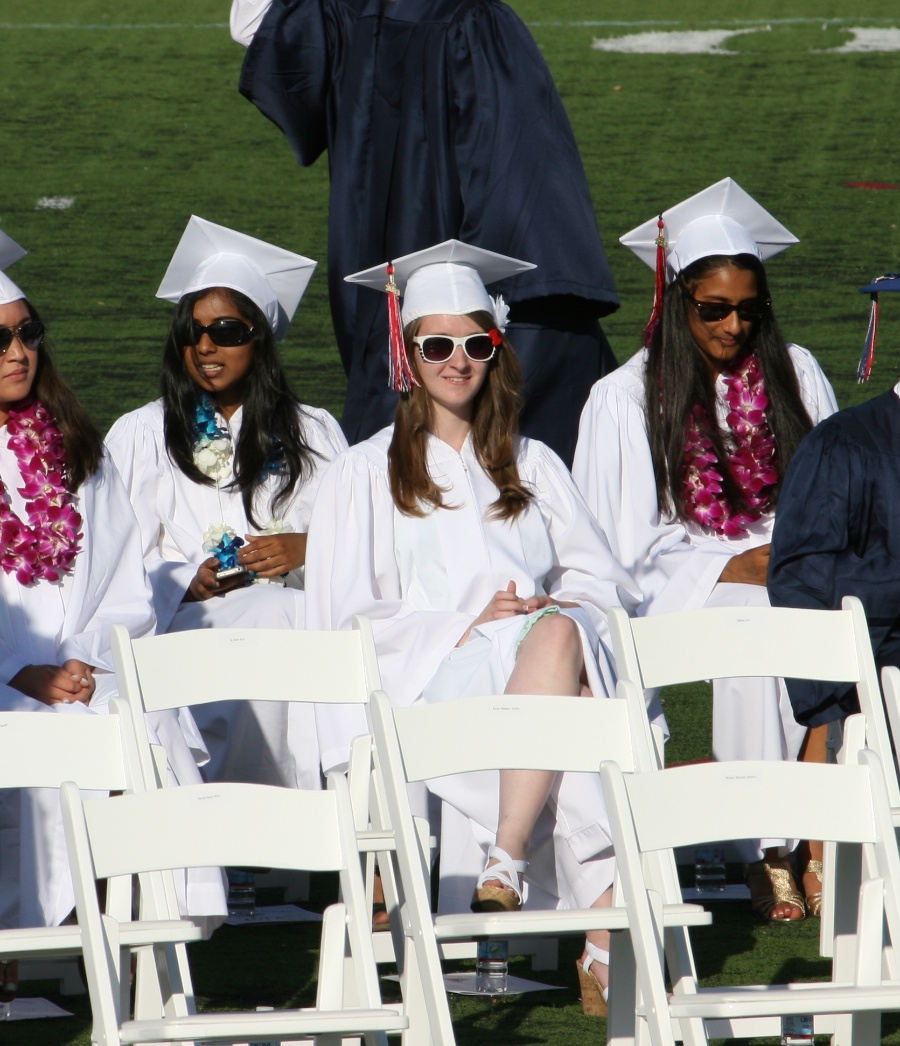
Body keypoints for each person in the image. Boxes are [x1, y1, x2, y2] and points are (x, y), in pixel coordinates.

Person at [305, 240, 642, 1013]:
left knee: (562, 638)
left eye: (475, 343)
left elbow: (601, 580)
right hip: (433, 683)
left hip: (538, 663)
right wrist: (468, 623)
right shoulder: (366, 471)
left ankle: (506, 862)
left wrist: (553, 609)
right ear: (407, 352)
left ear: (497, 350)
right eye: (436, 344)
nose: (457, 361)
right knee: (583, 709)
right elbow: (348, 617)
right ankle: (599, 932)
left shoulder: (533, 463)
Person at [572, 179, 838, 922]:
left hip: (789, 557)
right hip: (679, 572)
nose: (732, 326)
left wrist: (788, 553)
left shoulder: (796, 371)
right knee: (753, 615)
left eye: (749, 310)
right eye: (713, 309)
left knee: (826, 605)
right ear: (676, 301)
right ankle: (769, 843)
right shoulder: (627, 398)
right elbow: (616, 541)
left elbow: (829, 495)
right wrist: (729, 562)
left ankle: (820, 821)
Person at [229, 0, 620, 466]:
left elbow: (515, 197)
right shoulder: (357, 14)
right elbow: (262, 30)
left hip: (455, 319)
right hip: (396, 310)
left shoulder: (462, 23)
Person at [0, 233, 225, 1000]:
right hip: (8, 680)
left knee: (142, 720)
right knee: (59, 729)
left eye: (29, 333)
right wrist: (17, 668)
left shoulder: (71, 453)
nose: (18, 351)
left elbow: (124, 583)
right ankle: (44, 948)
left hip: (78, 673)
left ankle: (136, 949)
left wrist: (89, 660)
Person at [106, 217, 348, 790]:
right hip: (187, 625)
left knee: (278, 618)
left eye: (226, 331)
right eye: (191, 333)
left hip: (293, 616)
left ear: (259, 338)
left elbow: (362, 544)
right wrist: (181, 578)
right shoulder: (142, 434)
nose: (206, 346)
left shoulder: (314, 432)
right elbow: (110, 564)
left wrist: (305, 549)